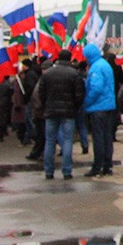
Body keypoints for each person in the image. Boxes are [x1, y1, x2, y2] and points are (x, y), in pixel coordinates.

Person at [36, 50, 85, 180]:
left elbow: (41, 93)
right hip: (68, 112)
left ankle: (48, 171)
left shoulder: (47, 74)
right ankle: (67, 171)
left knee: (50, 141)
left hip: (50, 111)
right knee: (68, 141)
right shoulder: (74, 74)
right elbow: (79, 95)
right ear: (70, 60)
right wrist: (74, 107)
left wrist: (46, 105)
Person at [82, 44, 116, 177]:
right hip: (108, 106)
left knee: (99, 138)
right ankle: (107, 165)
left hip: (98, 107)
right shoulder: (105, 64)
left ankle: (98, 166)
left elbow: (96, 88)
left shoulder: (96, 68)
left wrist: (87, 102)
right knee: (107, 137)